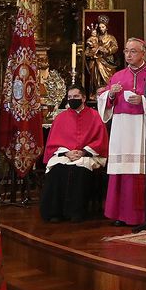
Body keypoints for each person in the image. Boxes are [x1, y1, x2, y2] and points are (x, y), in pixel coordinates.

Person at [99, 38, 146, 230]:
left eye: (133, 51)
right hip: (123, 128)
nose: (128, 55)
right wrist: (110, 94)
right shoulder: (117, 76)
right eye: (126, 51)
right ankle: (123, 214)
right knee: (124, 171)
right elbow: (104, 101)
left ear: (143, 53)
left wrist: (143, 100)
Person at [41, 86, 107, 222]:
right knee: (56, 170)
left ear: (83, 98)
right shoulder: (60, 117)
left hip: (87, 155)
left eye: (76, 97)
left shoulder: (95, 116)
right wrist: (67, 152)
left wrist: (83, 152)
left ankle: (76, 212)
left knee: (78, 171)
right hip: (65, 155)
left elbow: (100, 140)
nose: (72, 100)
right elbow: (53, 141)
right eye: (70, 97)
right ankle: (54, 213)